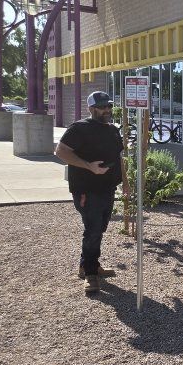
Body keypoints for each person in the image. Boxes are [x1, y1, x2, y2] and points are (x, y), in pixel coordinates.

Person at [54, 91, 128, 294]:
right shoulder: (80, 128)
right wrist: (89, 166)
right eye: (102, 107)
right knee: (93, 230)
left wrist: (126, 183)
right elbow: (60, 151)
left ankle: (87, 265)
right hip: (87, 189)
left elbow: (118, 157)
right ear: (91, 109)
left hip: (107, 188)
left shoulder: (112, 130)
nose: (107, 110)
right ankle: (90, 274)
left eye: (109, 106)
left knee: (99, 229)